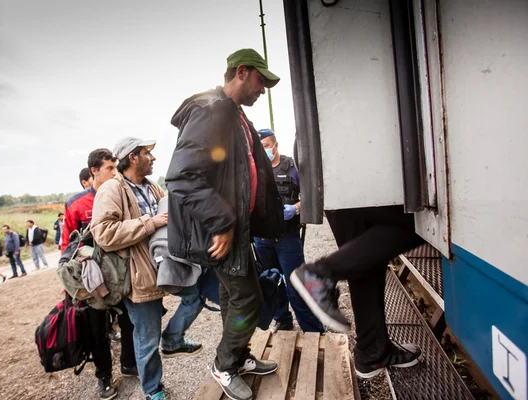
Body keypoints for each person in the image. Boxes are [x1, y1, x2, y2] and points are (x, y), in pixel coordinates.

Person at [165, 48, 285, 400]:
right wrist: (223, 222)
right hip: (219, 231)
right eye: (261, 81)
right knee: (248, 299)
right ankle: (224, 365)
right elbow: (183, 176)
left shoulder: (234, 114)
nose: (263, 90)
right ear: (243, 72)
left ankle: (238, 357)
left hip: (235, 228)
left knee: (237, 297)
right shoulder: (210, 109)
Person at [91, 137, 204, 400]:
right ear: (132, 157)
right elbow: (103, 234)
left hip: (166, 263)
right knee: (147, 338)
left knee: (195, 295)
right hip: (139, 274)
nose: (152, 158)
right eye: (146, 153)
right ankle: (153, 389)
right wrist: (149, 223)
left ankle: (173, 339)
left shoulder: (152, 187)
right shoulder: (111, 190)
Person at [290, 206, 424, 379]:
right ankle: (320, 274)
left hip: (339, 192)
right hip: (358, 187)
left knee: (365, 259)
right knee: (417, 223)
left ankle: (372, 352)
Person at [62, 148, 137, 400]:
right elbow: (67, 245)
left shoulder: (122, 194)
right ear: (94, 171)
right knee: (97, 330)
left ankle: (129, 363)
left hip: (121, 274)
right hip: (91, 280)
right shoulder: (76, 203)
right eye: (110, 169)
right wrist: (69, 283)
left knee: (129, 321)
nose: (116, 173)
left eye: (117, 168)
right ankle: (104, 376)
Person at [253, 128, 325, 334]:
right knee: (271, 284)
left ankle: (313, 330)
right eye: (259, 147)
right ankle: (282, 320)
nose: (263, 150)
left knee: (297, 287)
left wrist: (296, 208)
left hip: (287, 239)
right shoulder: (254, 171)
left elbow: (312, 195)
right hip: (262, 240)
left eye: (266, 146)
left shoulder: (292, 167)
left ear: (275, 145)